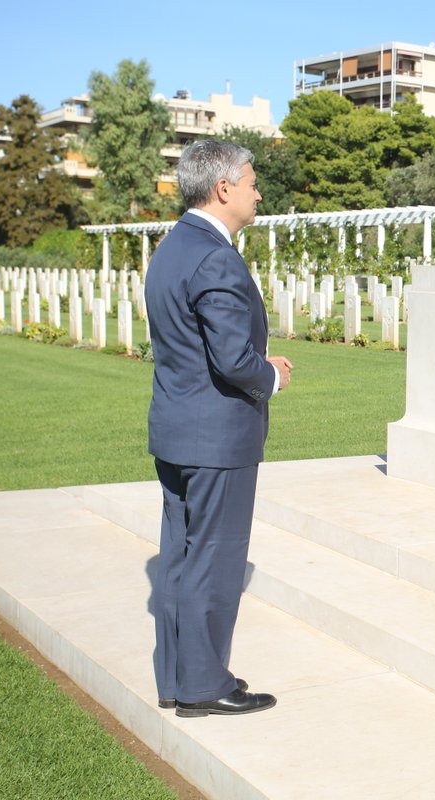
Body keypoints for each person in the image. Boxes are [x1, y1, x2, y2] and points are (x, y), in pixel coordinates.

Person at [145, 139, 292, 717]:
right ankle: (205, 686)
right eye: (252, 182)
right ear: (224, 188)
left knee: (181, 558)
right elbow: (232, 360)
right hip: (216, 438)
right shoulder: (214, 255)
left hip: (178, 429)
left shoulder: (172, 247)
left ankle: (178, 678)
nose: (258, 192)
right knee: (214, 559)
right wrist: (271, 375)